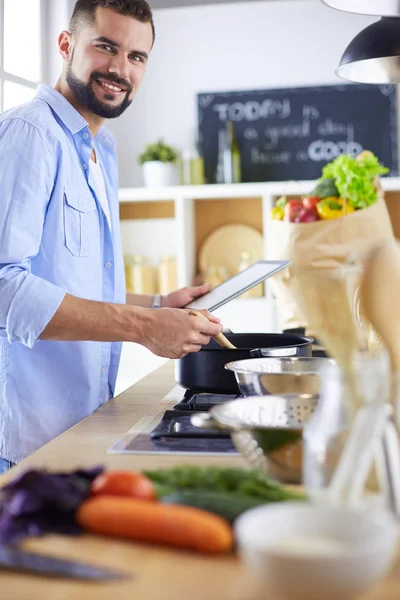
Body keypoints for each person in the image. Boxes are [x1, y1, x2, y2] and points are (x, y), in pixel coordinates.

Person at [0, 0, 222, 474]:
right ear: (66, 45)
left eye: (137, 57)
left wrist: (158, 305)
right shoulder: (29, 133)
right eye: (106, 47)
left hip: (75, 426)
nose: (120, 69)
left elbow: (72, 282)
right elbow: (4, 288)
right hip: (19, 441)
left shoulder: (101, 146)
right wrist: (143, 328)